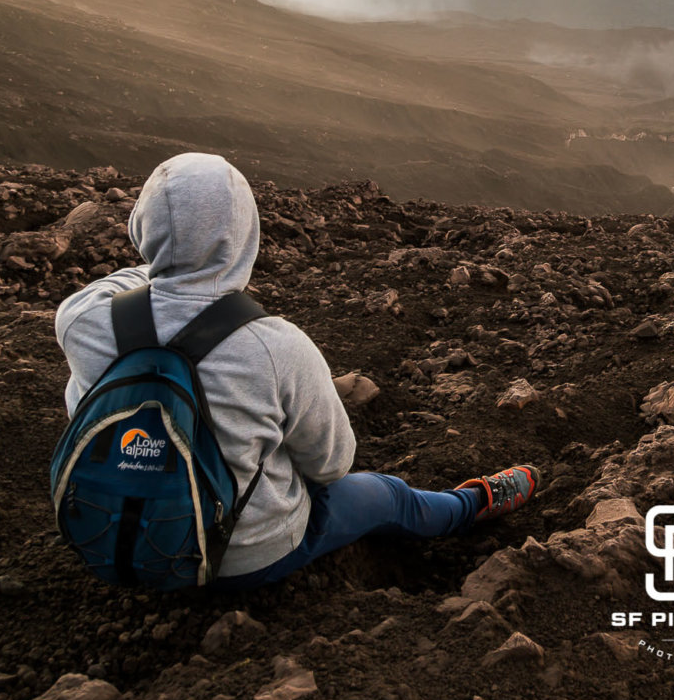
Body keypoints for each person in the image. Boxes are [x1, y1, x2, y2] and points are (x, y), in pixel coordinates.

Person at [54, 152, 538, 589]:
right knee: (386, 495)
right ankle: (471, 504)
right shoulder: (275, 346)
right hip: (241, 556)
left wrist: (174, 267)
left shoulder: (82, 318)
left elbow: (128, 281)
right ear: (245, 235)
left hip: (99, 533)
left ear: (141, 228)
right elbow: (332, 465)